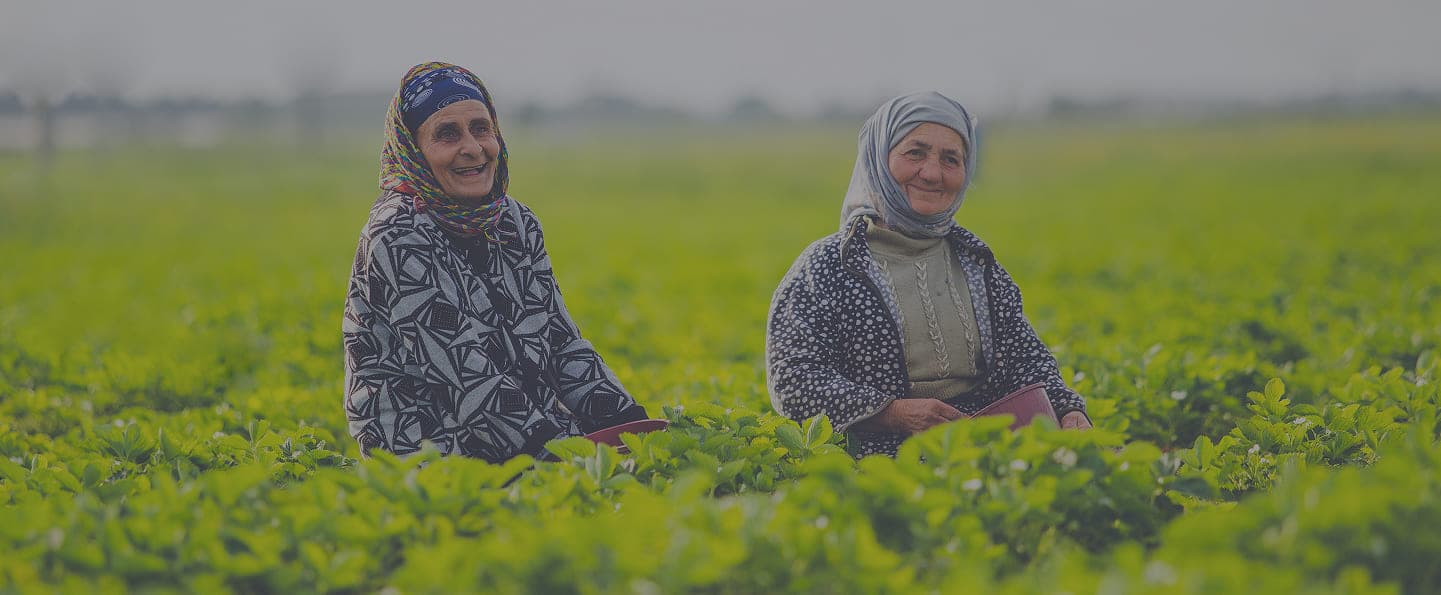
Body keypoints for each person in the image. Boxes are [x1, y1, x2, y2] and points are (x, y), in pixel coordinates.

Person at [344, 62, 648, 462]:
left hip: (526, 428)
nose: (472, 148)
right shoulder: (397, 236)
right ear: (412, 151)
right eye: (447, 134)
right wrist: (564, 455)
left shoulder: (514, 222)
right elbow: (465, 379)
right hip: (427, 448)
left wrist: (633, 426)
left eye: (481, 128)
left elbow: (562, 343)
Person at [765, 92, 1091, 458]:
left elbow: (1025, 358)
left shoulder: (977, 262)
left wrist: (1067, 408)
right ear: (878, 158)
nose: (933, 173)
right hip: (874, 461)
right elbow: (794, 381)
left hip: (990, 451)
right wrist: (892, 412)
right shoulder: (827, 266)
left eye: (951, 159)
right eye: (915, 153)